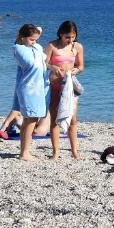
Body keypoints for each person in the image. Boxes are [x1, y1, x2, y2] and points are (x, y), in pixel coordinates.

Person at [45, 21, 84, 160]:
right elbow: (43, 62)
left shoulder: (77, 46)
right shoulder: (51, 45)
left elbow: (81, 66)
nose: (70, 40)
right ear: (61, 34)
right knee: (55, 118)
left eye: (73, 37)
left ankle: (74, 151)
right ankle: (56, 152)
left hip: (69, 85)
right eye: (67, 37)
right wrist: (53, 67)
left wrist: (75, 70)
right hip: (54, 84)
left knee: (72, 119)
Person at [12, 24, 48, 161]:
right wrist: (36, 49)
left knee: (32, 119)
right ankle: (24, 152)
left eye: (36, 40)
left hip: (39, 88)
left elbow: (43, 62)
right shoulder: (18, 49)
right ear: (23, 38)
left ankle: (25, 150)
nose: (35, 43)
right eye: (32, 40)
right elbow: (32, 64)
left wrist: (53, 67)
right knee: (30, 119)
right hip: (29, 88)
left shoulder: (36, 48)